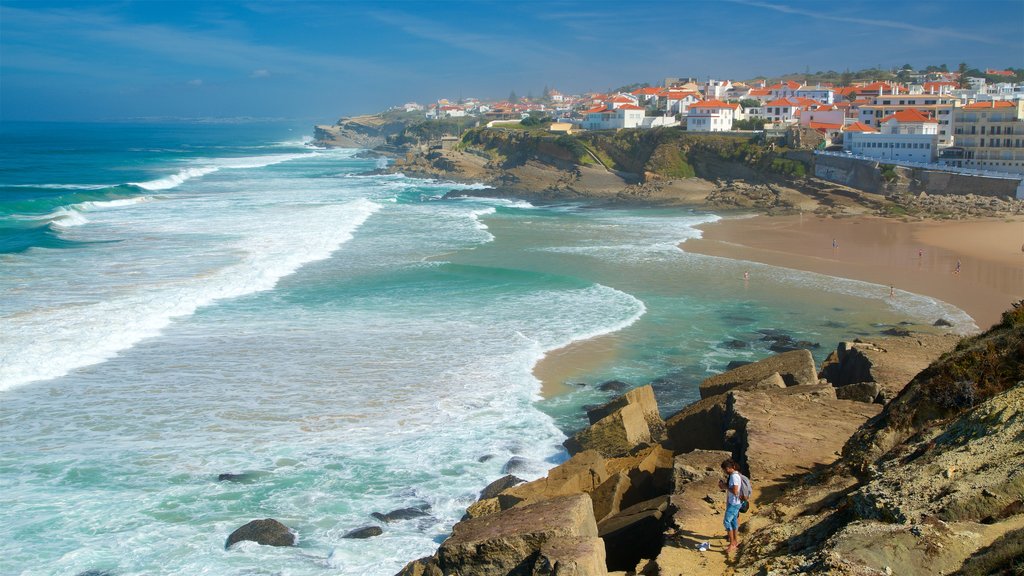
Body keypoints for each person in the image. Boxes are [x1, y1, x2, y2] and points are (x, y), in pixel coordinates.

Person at [718, 458, 742, 553]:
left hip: (734, 503)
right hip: (736, 502)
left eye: (725, 469)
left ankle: (732, 544)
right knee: (733, 521)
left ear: (729, 468)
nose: (725, 471)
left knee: (726, 522)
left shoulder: (734, 476)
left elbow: (735, 491)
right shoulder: (736, 475)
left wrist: (725, 486)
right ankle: (735, 541)